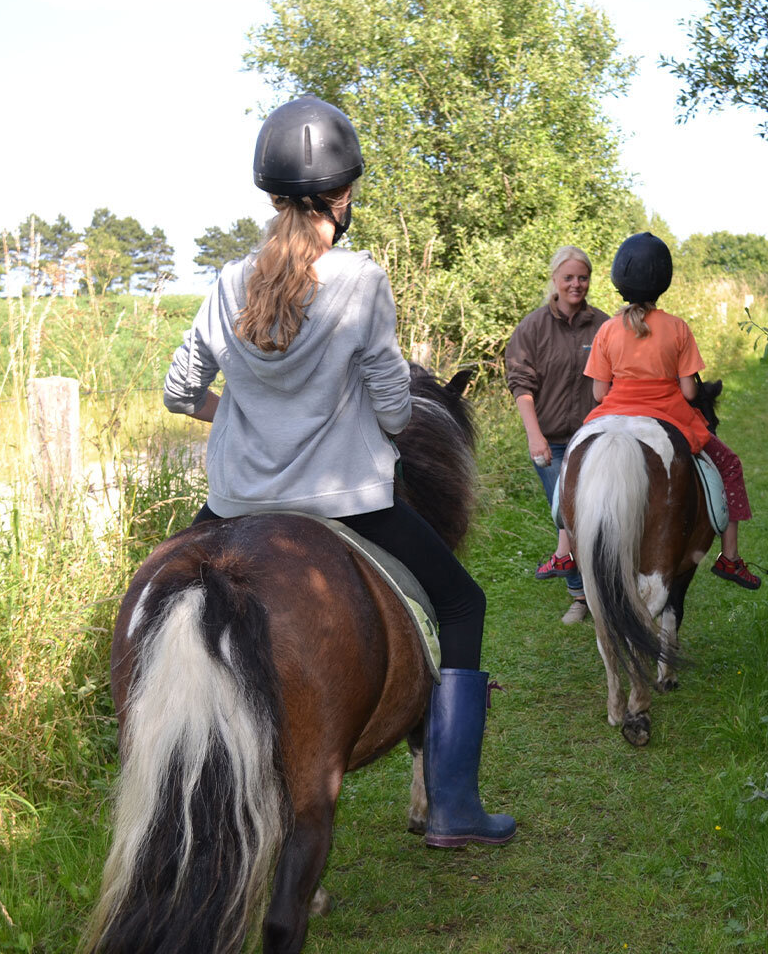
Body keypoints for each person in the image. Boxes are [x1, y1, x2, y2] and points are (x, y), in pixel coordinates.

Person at [162, 96, 515, 848]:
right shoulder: (360, 280)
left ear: (269, 195)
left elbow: (179, 392)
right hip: (347, 505)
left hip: (232, 507)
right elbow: (393, 408)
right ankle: (452, 805)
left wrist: (241, 414)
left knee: (162, 601)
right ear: (344, 196)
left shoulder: (227, 284)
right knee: (461, 604)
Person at [583, 232, 761, 590]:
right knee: (729, 465)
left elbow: (600, 393)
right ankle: (730, 558)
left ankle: (566, 550)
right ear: (663, 281)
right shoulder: (677, 328)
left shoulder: (606, 330)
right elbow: (689, 390)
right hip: (669, 414)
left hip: (612, 412)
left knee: (577, 471)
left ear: (620, 282)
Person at [505, 246, 610, 623]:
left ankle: (594, 590)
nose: (576, 284)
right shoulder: (532, 328)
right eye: (568, 277)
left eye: (582, 277)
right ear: (554, 279)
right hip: (550, 441)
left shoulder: (603, 326)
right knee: (566, 517)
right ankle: (581, 597)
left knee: (590, 516)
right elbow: (521, 385)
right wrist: (535, 438)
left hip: (594, 440)